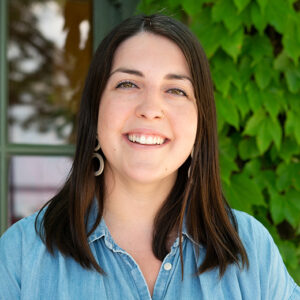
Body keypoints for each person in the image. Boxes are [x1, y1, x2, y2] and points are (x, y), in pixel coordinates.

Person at [0, 14, 299, 300]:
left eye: (176, 90)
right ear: (94, 112)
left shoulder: (251, 251)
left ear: (200, 123)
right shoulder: (22, 255)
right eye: (128, 84)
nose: (150, 108)